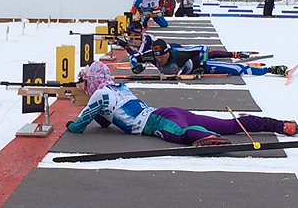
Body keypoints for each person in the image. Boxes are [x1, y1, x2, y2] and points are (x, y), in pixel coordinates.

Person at [66, 61, 297, 146]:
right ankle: (279, 125)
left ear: (92, 81)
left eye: (86, 81)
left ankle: (205, 138)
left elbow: (79, 126)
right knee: (229, 124)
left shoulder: (99, 95)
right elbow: (106, 122)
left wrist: (75, 112)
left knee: (182, 134)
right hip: (168, 111)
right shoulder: (118, 87)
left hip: (156, 121)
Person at [132, 38, 288, 76]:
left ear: (168, 51)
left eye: (162, 56)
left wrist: (201, 64)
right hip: (183, 69)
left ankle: (271, 70)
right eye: (156, 57)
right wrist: (136, 67)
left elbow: (203, 48)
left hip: (194, 62)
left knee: (235, 69)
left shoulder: (179, 54)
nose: (159, 59)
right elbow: (135, 57)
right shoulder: (152, 56)